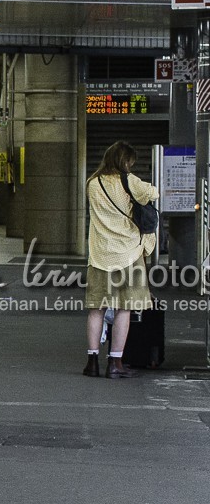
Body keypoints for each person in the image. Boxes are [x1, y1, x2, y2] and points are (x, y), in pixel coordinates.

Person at [83, 141, 158, 379]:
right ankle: (115, 363)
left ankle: (92, 362)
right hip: (128, 254)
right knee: (123, 309)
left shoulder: (92, 183)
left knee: (96, 309)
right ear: (124, 161)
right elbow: (153, 193)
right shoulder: (128, 181)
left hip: (99, 254)